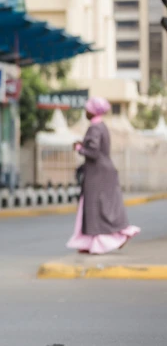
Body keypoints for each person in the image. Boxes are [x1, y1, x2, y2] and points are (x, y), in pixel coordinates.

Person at [67, 97, 139, 255]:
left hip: (97, 173)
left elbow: (93, 152)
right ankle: (93, 242)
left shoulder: (94, 128)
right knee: (101, 207)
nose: (85, 112)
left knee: (95, 208)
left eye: (87, 109)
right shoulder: (101, 126)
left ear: (92, 112)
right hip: (102, 172)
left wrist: (79, 148)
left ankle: (110, 239)